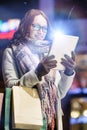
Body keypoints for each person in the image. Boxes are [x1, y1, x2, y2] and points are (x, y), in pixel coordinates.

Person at [2, 9, 76, 130]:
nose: (41, 32)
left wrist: (68, 72)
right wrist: (37, 73)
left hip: (50, 122)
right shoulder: (11, 52)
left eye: (44, 28)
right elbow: (11, 86)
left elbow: (58, 94)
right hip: (25, 119)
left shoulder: (49, 54)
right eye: (36, 26)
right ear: (25, 26)